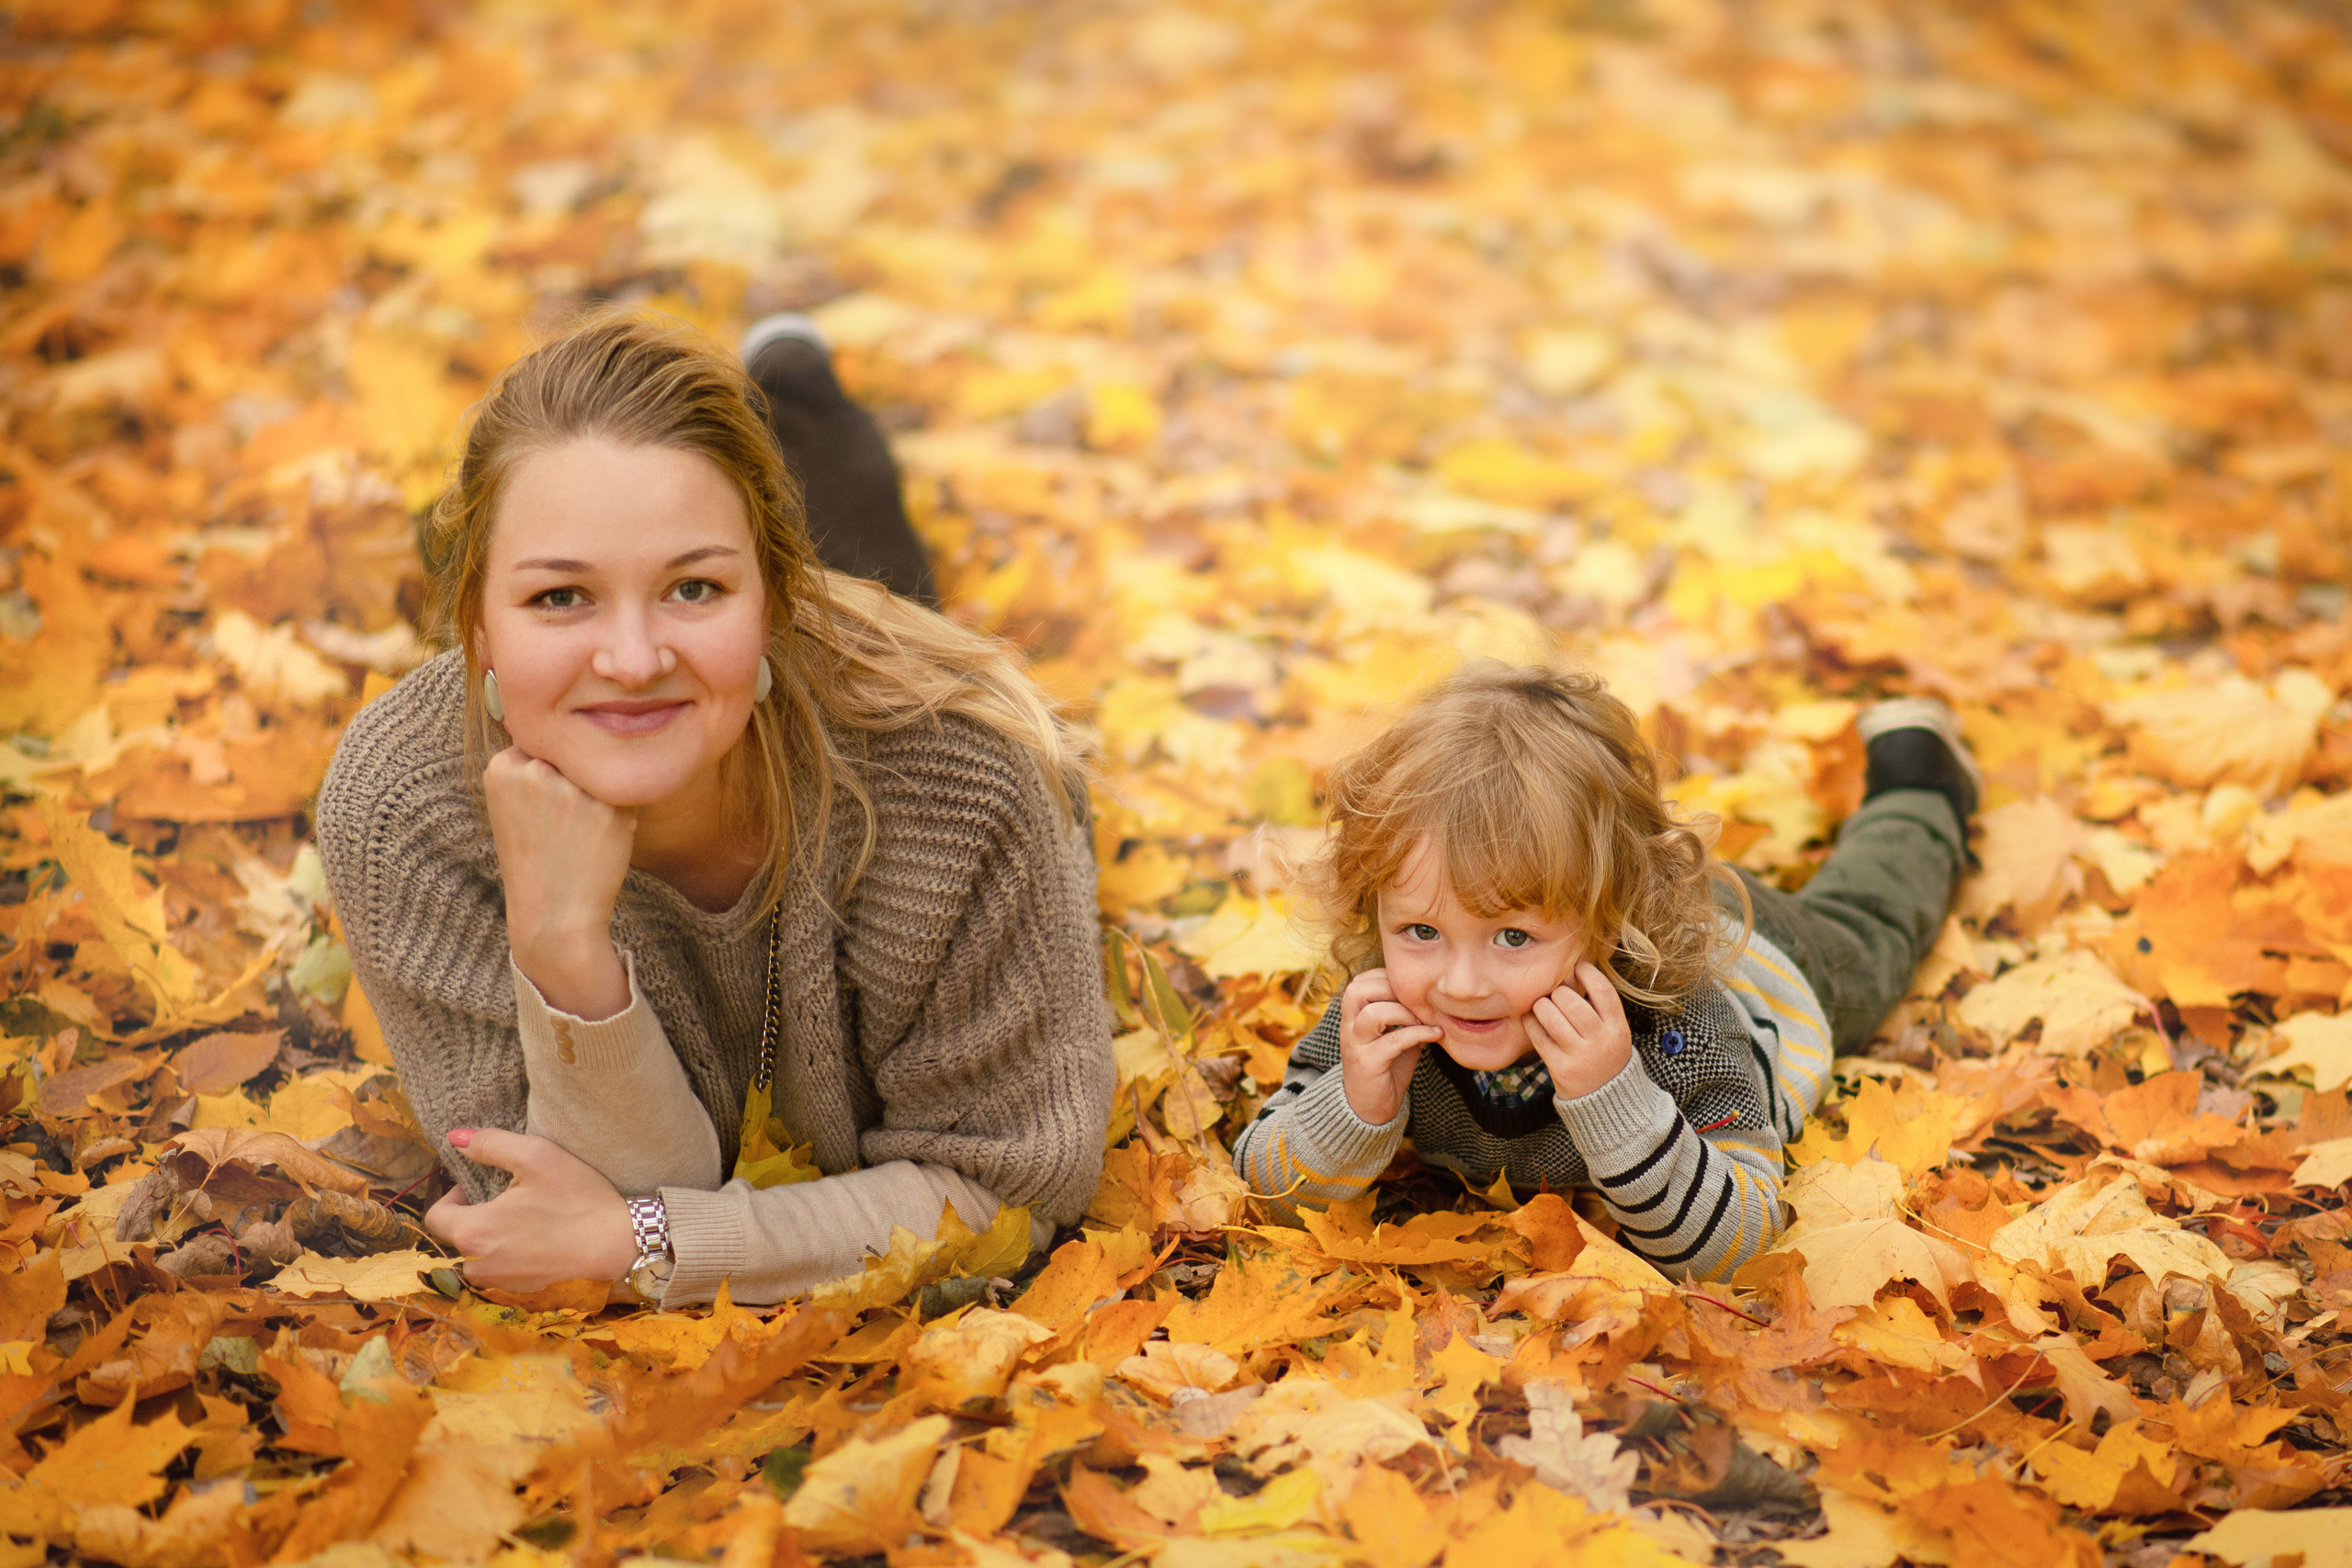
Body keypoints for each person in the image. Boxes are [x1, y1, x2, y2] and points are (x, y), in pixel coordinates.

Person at [316, 309, 1114, 1307]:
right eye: (560, 598)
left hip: (851, 712)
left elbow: (1004, 1192)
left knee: (889, 586)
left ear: (774, 600)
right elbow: (548, 1210)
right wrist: (564, 954)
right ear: (475, 623)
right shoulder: (404, 805)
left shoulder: (961, 781)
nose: (633, 660)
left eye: (693, 588)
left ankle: (810, 411)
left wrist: (643, 1242)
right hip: (773, 664)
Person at [1230, 665, 1977, 1283]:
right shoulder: (1386, 1012)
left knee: (1879, 916)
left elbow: (1740, 1244)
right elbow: (1267, 1189)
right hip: (1622, 899)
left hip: (1764, 965)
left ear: (1607, 924)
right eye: (1421, 930)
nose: (1459, 981)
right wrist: (1352, 1106)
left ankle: (1920, 780)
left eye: (1512, 935)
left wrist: (1613, 1099)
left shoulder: (1682, 1031)